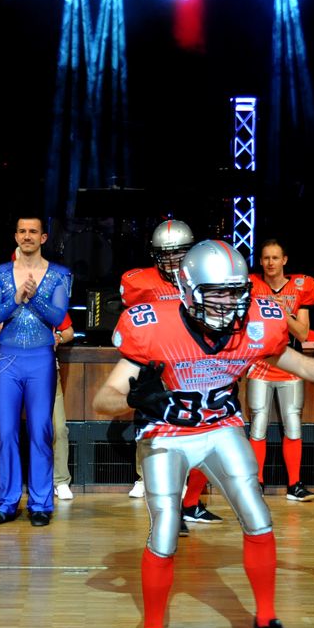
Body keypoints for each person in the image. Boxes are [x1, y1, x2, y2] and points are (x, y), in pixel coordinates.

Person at [93, 239, 314, 628]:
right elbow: (103, 399)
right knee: (165, 531)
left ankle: (266, 621)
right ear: (188, 291)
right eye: (216, 293)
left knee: (258, 517)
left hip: (220, 427)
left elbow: (298, 363)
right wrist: (136, 400)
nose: (228, 303)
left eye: (235, 292)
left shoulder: (256, 320)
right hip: (167, 433)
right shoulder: (154, 324)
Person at [118, 218, 222, 532]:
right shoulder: (140, 282)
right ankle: (168, 506)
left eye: (179, 253)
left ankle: (191, 503)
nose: (173, 261)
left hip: (199, 368)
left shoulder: (205, 274)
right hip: (159, 370)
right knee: (164, 440)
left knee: (206, 435)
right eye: (166, 254)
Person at [0, 216, 71, 527]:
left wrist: (34, 299)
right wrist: (16, 299)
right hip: (8, 359)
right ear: (16, 236)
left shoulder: (59, 274)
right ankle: (5, 504)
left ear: (43, 237)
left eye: (33, 231)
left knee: (41, 431)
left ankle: (41, 504)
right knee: (6, 432)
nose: (27, 236)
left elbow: (58, 317)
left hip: (41, 360)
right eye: (22, 231)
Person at [246, 239, 314, 501]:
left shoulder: (300, 287)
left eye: (275, 258)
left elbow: (302, 333)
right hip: (260, 363)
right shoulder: (251, 285)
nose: (270, 263)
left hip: (291, 363)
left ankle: (294, 485)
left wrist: (279, 311)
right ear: (260, 261)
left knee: (293, 424)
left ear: (285, 260)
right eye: (266, 258)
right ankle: (256, 482)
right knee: (258, 424)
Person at [53, 315, 76, 500]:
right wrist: (7, 326)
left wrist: (59, 337)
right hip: (12, 368)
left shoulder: (49, 301)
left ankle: (60, 481)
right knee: (9, 429)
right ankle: (9, 483)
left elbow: (69, 331)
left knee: (59, 427)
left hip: (48, 369)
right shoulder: (7, 301)